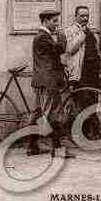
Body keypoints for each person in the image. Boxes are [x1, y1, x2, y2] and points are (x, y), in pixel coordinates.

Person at [28, 9, 75, 158]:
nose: (57, 24)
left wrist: (62, 67)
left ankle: (32, 147)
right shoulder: (43, 37)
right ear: (46, 21)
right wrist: (62, 36)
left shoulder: (43, 36)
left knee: (38, 114)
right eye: (54, 21)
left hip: (42, 80)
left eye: (57, 21)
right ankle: (58, 149)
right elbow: (59, 50)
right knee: (52, 114)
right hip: (48, 81)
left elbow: (50, 58)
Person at [58, 6, 101, 140]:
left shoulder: (90, 31)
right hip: (79, 73)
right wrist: (82, 35)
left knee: (93, 102)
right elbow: (69, 49)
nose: (85, 18)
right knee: (82, 102)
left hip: (92, 73)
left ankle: (92, 130)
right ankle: (83, 131)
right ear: (75, 16)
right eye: (82, 16)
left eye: (87, 16)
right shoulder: (70, 31)